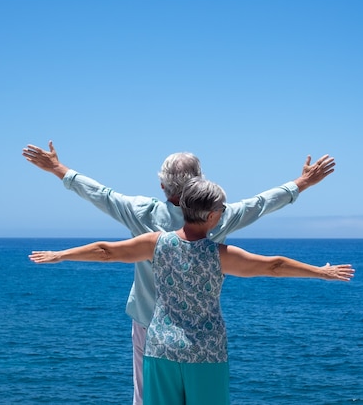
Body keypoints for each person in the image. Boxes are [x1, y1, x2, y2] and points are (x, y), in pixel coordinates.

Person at [22, 140, 336, 404]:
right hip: (204, 340)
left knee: (146, 397)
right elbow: (263, 212)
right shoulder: (220, 216)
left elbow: (101, 201)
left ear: (162, 185)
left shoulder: (143, 216)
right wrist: (304, 183)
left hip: (152, 326)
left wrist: (57, 170)